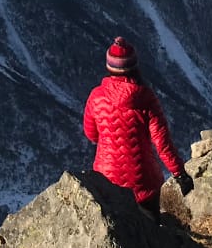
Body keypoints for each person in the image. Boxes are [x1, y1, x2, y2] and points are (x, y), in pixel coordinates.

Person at [82, 36, 193, 220]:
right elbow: (162, 143)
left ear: (109, 66)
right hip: (143, 181)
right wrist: (180, 174)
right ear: (134, 66)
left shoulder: (96, 96)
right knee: (150, 230)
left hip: (107, 179)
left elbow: (91, 134)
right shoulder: (146, 98)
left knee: (119, 229)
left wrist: (111, 140)